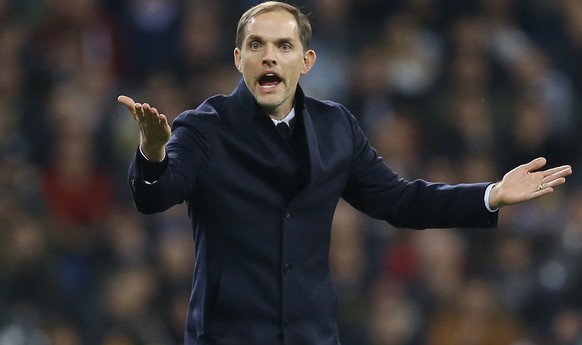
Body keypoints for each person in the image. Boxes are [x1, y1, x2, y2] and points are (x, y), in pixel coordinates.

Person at [117, 2, 572, 344]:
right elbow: (154, 196)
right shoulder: (204, 126)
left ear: (306, 61)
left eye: (283, 45)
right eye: (257, 45)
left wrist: (490, 194)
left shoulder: (336, 125)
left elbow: (399, 200)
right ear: (239, 59)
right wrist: (153, 151)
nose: (269, 57)